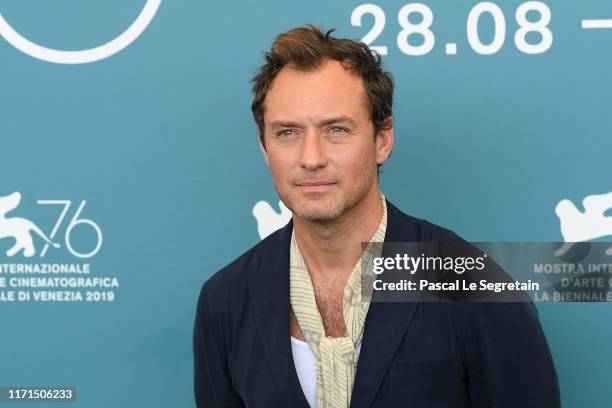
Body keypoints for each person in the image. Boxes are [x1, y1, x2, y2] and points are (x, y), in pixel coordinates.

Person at [193, 24, 560, 407]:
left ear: (382, 140)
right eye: (287, 133)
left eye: (336, 129)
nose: (311, 158)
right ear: (264, 146)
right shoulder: (225, 300)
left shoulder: (471, 284)